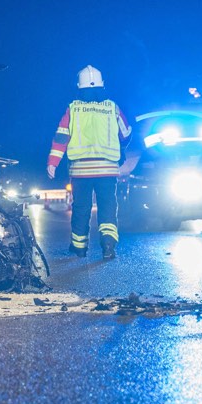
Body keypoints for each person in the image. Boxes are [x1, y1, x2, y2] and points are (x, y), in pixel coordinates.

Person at [46, 65, 132, 260]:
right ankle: (108, 245)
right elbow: (126, 133)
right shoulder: (112, 108)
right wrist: (121, 148)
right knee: (107, 206)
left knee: (81, 208)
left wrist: (53, 162)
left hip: (80, 170)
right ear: (103, 85)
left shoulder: (73, 109)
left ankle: (79, 247)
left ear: (79, 86)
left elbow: (61, 137)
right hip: (107, 170)